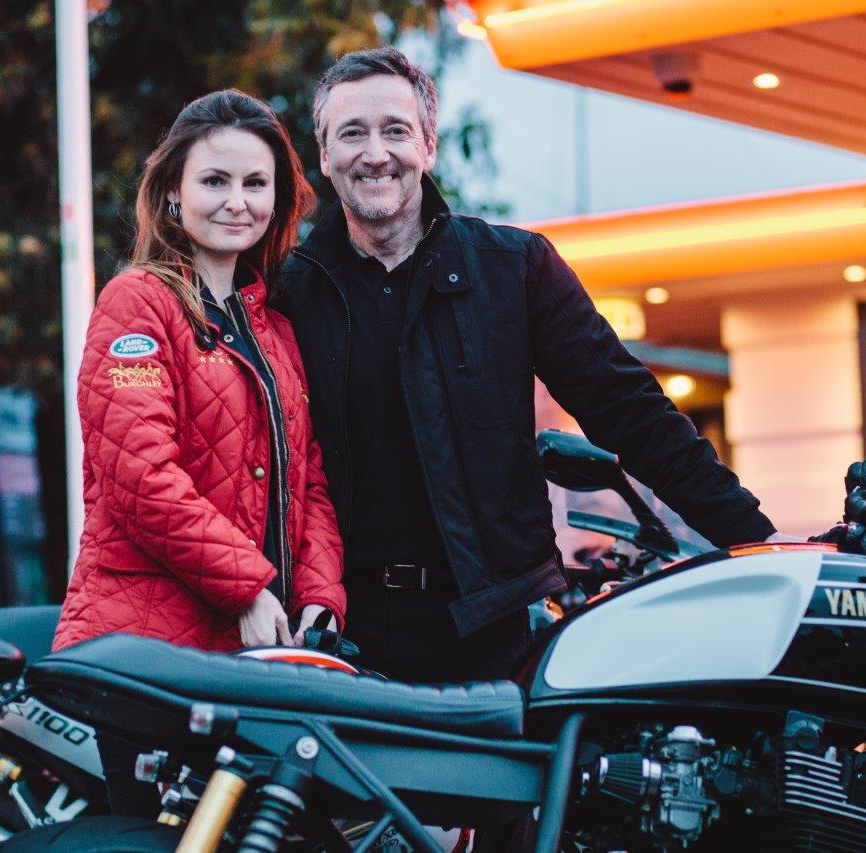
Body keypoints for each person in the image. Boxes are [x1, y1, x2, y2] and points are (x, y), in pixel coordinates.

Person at [274, 47, 781, 685]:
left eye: (395, 130)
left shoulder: (516, 270)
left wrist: (757, 541)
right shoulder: (285, 292)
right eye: (352, 133)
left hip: (489, 636)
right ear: (324, 155)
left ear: (428, 146)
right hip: (335, 632)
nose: (376, 153)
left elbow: (632, 414)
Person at [51, 90, 346, 812]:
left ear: (278, 202)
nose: (237, 201)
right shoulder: (137, 302)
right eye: (215, 180)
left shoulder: (276, 330)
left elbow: (309, 481)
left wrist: (320, 599)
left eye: (256, 183)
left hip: (252, 662)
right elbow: (141, 477)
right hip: (147, 652)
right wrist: (246, 586)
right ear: (174, 194)